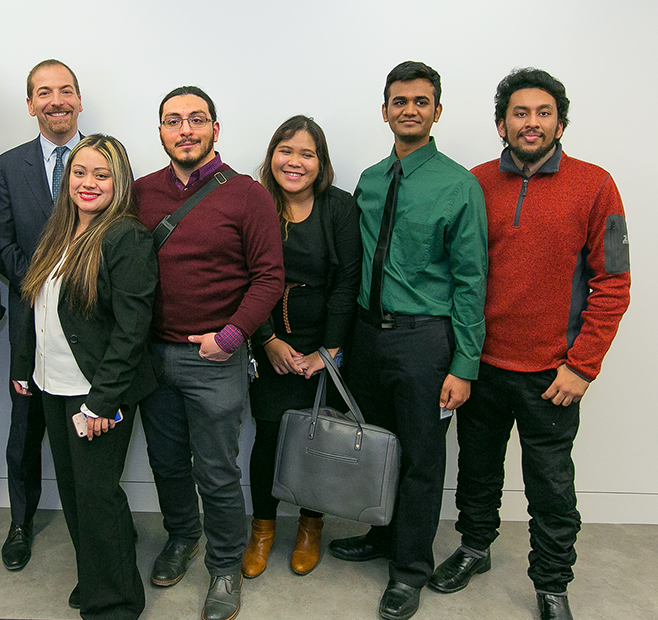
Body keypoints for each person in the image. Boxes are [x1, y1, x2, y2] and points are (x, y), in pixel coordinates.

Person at [428, 68, 631, 620]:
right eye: (520, 113)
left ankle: (551, 582)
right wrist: (459, 358)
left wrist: (582, 366)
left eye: (543, 112)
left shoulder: (596, 184)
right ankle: (474, 547)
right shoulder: (474, 183)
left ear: (560, 122)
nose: (532, 122)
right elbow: (451, 274)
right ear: (502, 123)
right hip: (482, 364)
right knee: (476, 469)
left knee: (550, 485)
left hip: (553, 373)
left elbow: (614, 282)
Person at [327, 61, 487, 620]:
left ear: (437, 111)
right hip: (368, 335)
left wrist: (465, 363)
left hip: (425, 341)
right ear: (385, 110)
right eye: (400, 101)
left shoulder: (459, 184)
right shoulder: (370, 180)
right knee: (375, 447)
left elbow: (471, 279)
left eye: (421, 101)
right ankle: (379, 536)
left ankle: (410, 569)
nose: (410, 109)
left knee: (420, 459)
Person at [135, 86, 284, 620]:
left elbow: (270, 277)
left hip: (215, 361)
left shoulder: (247, 194)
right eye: (173, 121)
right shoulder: (140, 192)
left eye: (197, 119)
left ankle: (224, 567)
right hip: (154, 357)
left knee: (217, 471)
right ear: (161, 132)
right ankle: (182, 537)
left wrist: (230, 337)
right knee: (167, 463)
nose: (185, 129)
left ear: (215, 130)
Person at [11, 134, 157, 619]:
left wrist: (101, 402)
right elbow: (42, 310)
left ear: (119, 182)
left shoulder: (125, 236)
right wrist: (27, 370)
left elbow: (132, 330)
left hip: (95, 392)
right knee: (74, 494)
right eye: (79, 172)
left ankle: (116, 603)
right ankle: (98, 577)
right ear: (66, 179)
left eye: (101, 174)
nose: (88, 183)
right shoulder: (58, 232)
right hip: (53, 386)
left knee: (97, 497)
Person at [242, 115, 361, 579]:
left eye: (306, 153)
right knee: (268, 439)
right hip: (269, 341)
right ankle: (263, 530)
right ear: (271, 156)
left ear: (321, 162)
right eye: (285, 151)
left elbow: (348, 282)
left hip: (326, 348)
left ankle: (311, 528)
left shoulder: (340, 207)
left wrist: (329, 352)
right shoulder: (255, 203)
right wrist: (267, 340)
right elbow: (246, 277)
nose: (294, 162)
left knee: (319, 440)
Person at [0, 59, 83, 572]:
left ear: (79, 100)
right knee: (24, 433)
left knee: (86, 433)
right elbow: (3, 247)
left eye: (66, 90)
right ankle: (21, 523)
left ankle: (86, 526)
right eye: (44, 92)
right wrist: (52, 281)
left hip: (92, 327)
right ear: (30, 105)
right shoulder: (6, 168)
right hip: (30, 327)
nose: (56, 100)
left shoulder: (107, 159)